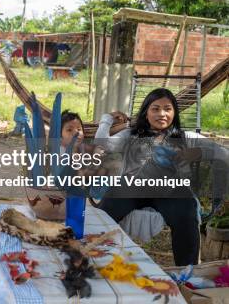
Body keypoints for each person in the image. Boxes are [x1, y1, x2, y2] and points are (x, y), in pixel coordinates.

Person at [95, 88, 228, 265]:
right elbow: (102, 142)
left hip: (170, 191)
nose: (162, 114)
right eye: (155, 109)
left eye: (167, 109)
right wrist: (107, 119)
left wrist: (199, 152)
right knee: (103, 214)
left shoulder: (186, 138)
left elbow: (223, 153)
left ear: (174, 113)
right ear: (146, 113)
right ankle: (94, 259)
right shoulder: (131, 134)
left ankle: (186, 273)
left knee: (186, 213)